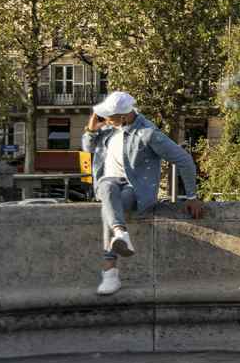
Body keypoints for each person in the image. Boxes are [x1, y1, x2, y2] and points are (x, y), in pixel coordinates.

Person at [82, 91, 205, 296]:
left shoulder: (148, 133)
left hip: (135, 188)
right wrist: (91, 129)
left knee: (112, 204)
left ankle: (110, 270)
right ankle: (120, 234)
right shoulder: (110, 129)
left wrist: (192, 196)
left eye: (109, 116)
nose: (105, 119)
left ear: (123, 115)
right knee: (107, 187)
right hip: (109, 183)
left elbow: (184, 159)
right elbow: (88, 146)